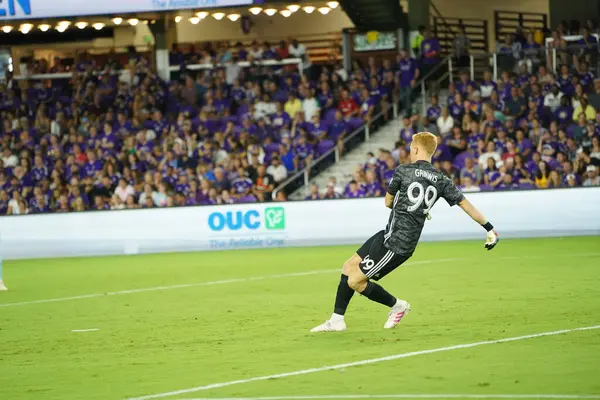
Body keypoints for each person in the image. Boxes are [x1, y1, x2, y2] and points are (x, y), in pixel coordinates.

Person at [310, 132, 500, 332]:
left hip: (398, 243)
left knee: (355, 280)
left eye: (411, 147)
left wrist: (402, 203)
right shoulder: (441, 179)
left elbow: (387, 202)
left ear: (416, 149)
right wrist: (489, 228)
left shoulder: (403, 170)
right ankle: (337, 320)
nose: (410, 150)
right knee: (349, 266)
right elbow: (466, 205)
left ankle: (397, 306)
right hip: (389, 234)